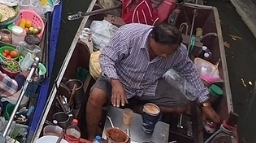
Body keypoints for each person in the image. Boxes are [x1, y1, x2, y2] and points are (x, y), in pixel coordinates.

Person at [85, 23, 221, 139]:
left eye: (169, 54)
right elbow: (106, 58)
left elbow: (189, 72)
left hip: (147, 85)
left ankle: (139, 108)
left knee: (182, 104)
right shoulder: (129, 35)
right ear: (151, 38)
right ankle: (91, 137)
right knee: (95, 97)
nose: (165, 56)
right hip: (119, 79)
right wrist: (115, 82)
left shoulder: (179, 52)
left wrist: (205, 104)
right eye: (161, 52)